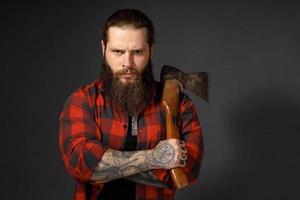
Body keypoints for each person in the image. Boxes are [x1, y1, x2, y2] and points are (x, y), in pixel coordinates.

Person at [58, 8, 204, 200]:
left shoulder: (178, 104)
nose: (128, 63)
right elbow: (81, 164)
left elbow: (187, 171)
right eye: (118, 51)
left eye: (137, 52)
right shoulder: (83, 101)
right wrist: (155, 158)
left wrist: (106, 166)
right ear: (103, 49)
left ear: (151, 50)